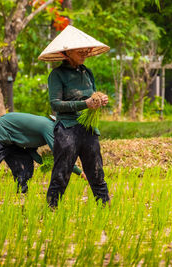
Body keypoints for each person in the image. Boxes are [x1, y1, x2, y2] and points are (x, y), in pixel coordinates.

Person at [38, 25, 111, 207]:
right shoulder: (57, 75)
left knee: (96, 170)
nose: (85, 52)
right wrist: (84, 103)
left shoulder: (87, 73)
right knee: (62, 171)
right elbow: (55, 104)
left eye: (86, 49)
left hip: (88, 128)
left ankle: (105, 205)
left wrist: (99, 100)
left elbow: (91, 95)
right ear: (66, 53)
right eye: (80, 50)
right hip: (67, 129)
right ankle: (52, 208)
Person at [0, 112, 85, 193]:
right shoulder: (49, 128)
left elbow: (31, 150)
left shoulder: (48, 128)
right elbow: (61, 155)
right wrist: (80, 172)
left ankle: (22, 190)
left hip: (14, 140)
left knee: (26, 164)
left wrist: (44, 161)